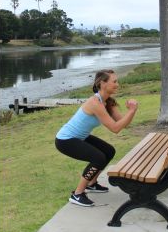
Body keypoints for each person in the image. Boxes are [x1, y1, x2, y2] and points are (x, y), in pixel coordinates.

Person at [55, 69, 138, 206]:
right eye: (114, 81)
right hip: (65, 140)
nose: (117, 84)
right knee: (98, 157)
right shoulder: (95, 103)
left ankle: (92, 184)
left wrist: (131, 111)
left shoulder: (109, 102)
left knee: (109, 151)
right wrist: (132, 110)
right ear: (103, 83)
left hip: (80, 137)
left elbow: (123, 123)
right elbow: (115, 128)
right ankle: (77, 194)